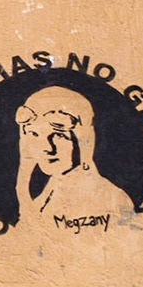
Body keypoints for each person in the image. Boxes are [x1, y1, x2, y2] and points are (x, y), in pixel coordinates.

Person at [16, 86, 131, 225]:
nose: (47, 148)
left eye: (59, 135)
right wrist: (22, 184)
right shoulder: (52, 188)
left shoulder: (112, 200)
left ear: (84, 139)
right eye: (34, 134)